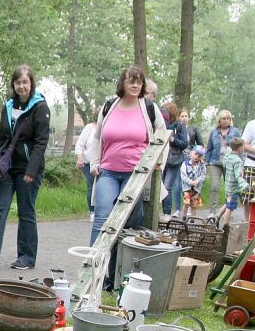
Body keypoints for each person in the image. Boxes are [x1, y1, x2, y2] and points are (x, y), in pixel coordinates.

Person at [0, 65, 50, 270]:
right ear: (13, 84)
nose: (21, 86)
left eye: (25, 82)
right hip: (6, 167)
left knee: (26, 210)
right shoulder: (8, 106)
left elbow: (41, 142)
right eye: (18, 82)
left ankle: (27, 257)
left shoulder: (40, 107)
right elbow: (2, 138)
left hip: (28, 168)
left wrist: (32, 170)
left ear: (31, 84)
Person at [86, 66, 165, 248]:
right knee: (102, 216)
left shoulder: (149, 108)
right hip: (108, 171)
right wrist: (94, 163)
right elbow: (97, 136)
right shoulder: (109, 106)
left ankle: (114, 271)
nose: (136, 85)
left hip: (135, 174)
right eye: (132, 81)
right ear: (123, 83)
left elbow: (163, 136)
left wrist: (158, 162)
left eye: (139, 82)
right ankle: (92, 266)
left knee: (126, 221)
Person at [204, 110, 240, 213]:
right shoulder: (214, 132)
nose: (226, 121)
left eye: (228, 119)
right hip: (215, 163)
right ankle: (212, 212)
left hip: (230, 163)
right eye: (224, 119)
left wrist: (240, 163)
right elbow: (209, 148)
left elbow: (240, 148)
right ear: (219, 120)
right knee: (214, 187)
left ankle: (227, 211)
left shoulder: (235, 132)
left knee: (229, 189)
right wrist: (207, 162)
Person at [161, 102, 188, 217]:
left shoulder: (179, 126)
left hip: (174, 161)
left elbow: (185, 143)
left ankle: (167, 213)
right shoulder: (161, 125)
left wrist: (173, 140)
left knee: (167, 187)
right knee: (160, 187)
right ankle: (162, 212)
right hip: (162, 160)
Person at [215, 137, 247, 227]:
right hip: (234, 188)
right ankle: (226, 225)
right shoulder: (237, 160)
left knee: (227, 203)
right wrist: (244, 184)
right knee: (230, 207)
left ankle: (217, 216)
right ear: (240, 148)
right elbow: (238, 176)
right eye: (243, 146)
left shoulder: (228, 156)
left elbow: (224, 164)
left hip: (228, 185)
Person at [75, 119, 97, 222]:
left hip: (103, 163)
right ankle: (92, 212)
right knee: (91, 187)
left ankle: (102, 211)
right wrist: (79, 159)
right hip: (89, 163)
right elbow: (80, 144)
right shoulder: (89, 128)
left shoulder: (109, 126)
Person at [180, 145, 207, 220]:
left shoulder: (202, 165)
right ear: (191, 153)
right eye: (196, 154)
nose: (197, 157)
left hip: (196, 188)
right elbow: (183, 175)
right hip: (187, 187)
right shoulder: (185, 164)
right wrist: (190, 182)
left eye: (199, 156)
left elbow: (203, 174)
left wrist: (197, 181)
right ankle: (184, 217)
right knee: (186, 202)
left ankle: (192, 219)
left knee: (194, 205)